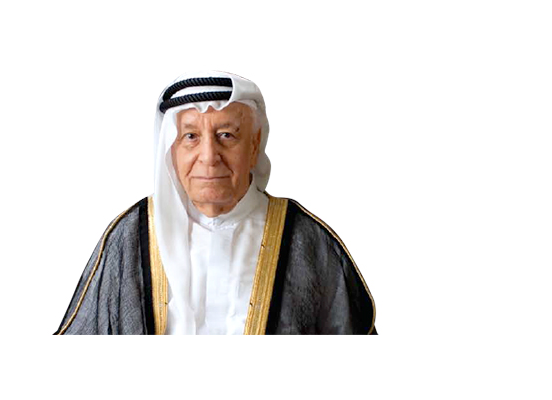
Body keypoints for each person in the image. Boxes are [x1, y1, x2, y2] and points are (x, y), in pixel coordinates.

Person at [54, 71, 377, 335]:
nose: (209, 157)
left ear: (254, 145)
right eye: (190, 137)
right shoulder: (130, 235)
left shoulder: (307, 238)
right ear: (170, 150)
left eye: (226, 135)